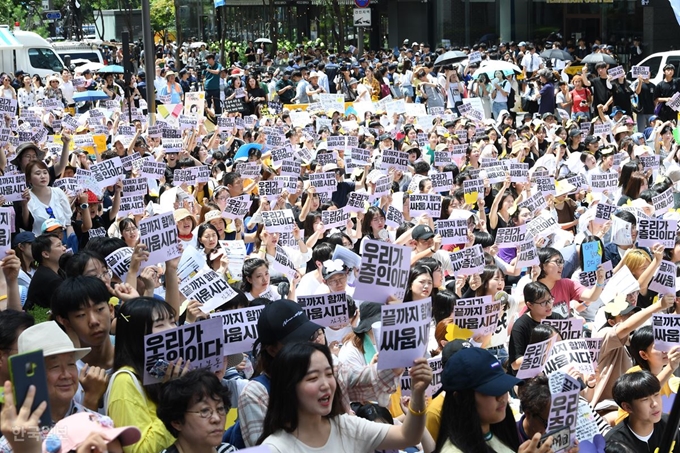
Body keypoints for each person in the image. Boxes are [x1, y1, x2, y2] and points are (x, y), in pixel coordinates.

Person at [235, 299, 402, 447]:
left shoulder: (326, 364)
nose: (307, 345)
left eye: (309, 335)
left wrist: (395, 356)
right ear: (272, 350)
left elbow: (363, 380)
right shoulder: (255, 395)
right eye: (296, 342)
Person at [258, 342, 432, 452]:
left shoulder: (346, 426)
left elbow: (407, 436)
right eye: (312, 378)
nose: (326, 384)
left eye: (328, 374)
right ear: (288, 387)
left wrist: (417, 394)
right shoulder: (275, 448)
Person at [435, 347, 557, 453]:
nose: (502, 397)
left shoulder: (500, 433)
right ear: (460, 398)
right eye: (491, 390)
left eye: (502, 386)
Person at [105, 297, 187, 453]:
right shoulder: (125, 382)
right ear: (137, 335)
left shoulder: (172, 372)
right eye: (160, 325)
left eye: (172, 322)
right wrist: (173, 398)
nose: (172, 329)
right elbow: (137, 450)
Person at [157, 369, 237, 453]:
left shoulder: (229, 450)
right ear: (177, 422)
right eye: (205, 411)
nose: (217, 419)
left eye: (220, 409)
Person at [605, 371, 680, 450]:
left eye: (656, 395)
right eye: (645, 399)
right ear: (627, 407)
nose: (654, 404)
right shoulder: (614, 443)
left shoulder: (669, 423)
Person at [25, 234, 66, 310]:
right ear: (45, 254)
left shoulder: (59, 271)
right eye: (59, 246)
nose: (64, 248)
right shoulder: (50, 279)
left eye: (62, 244)